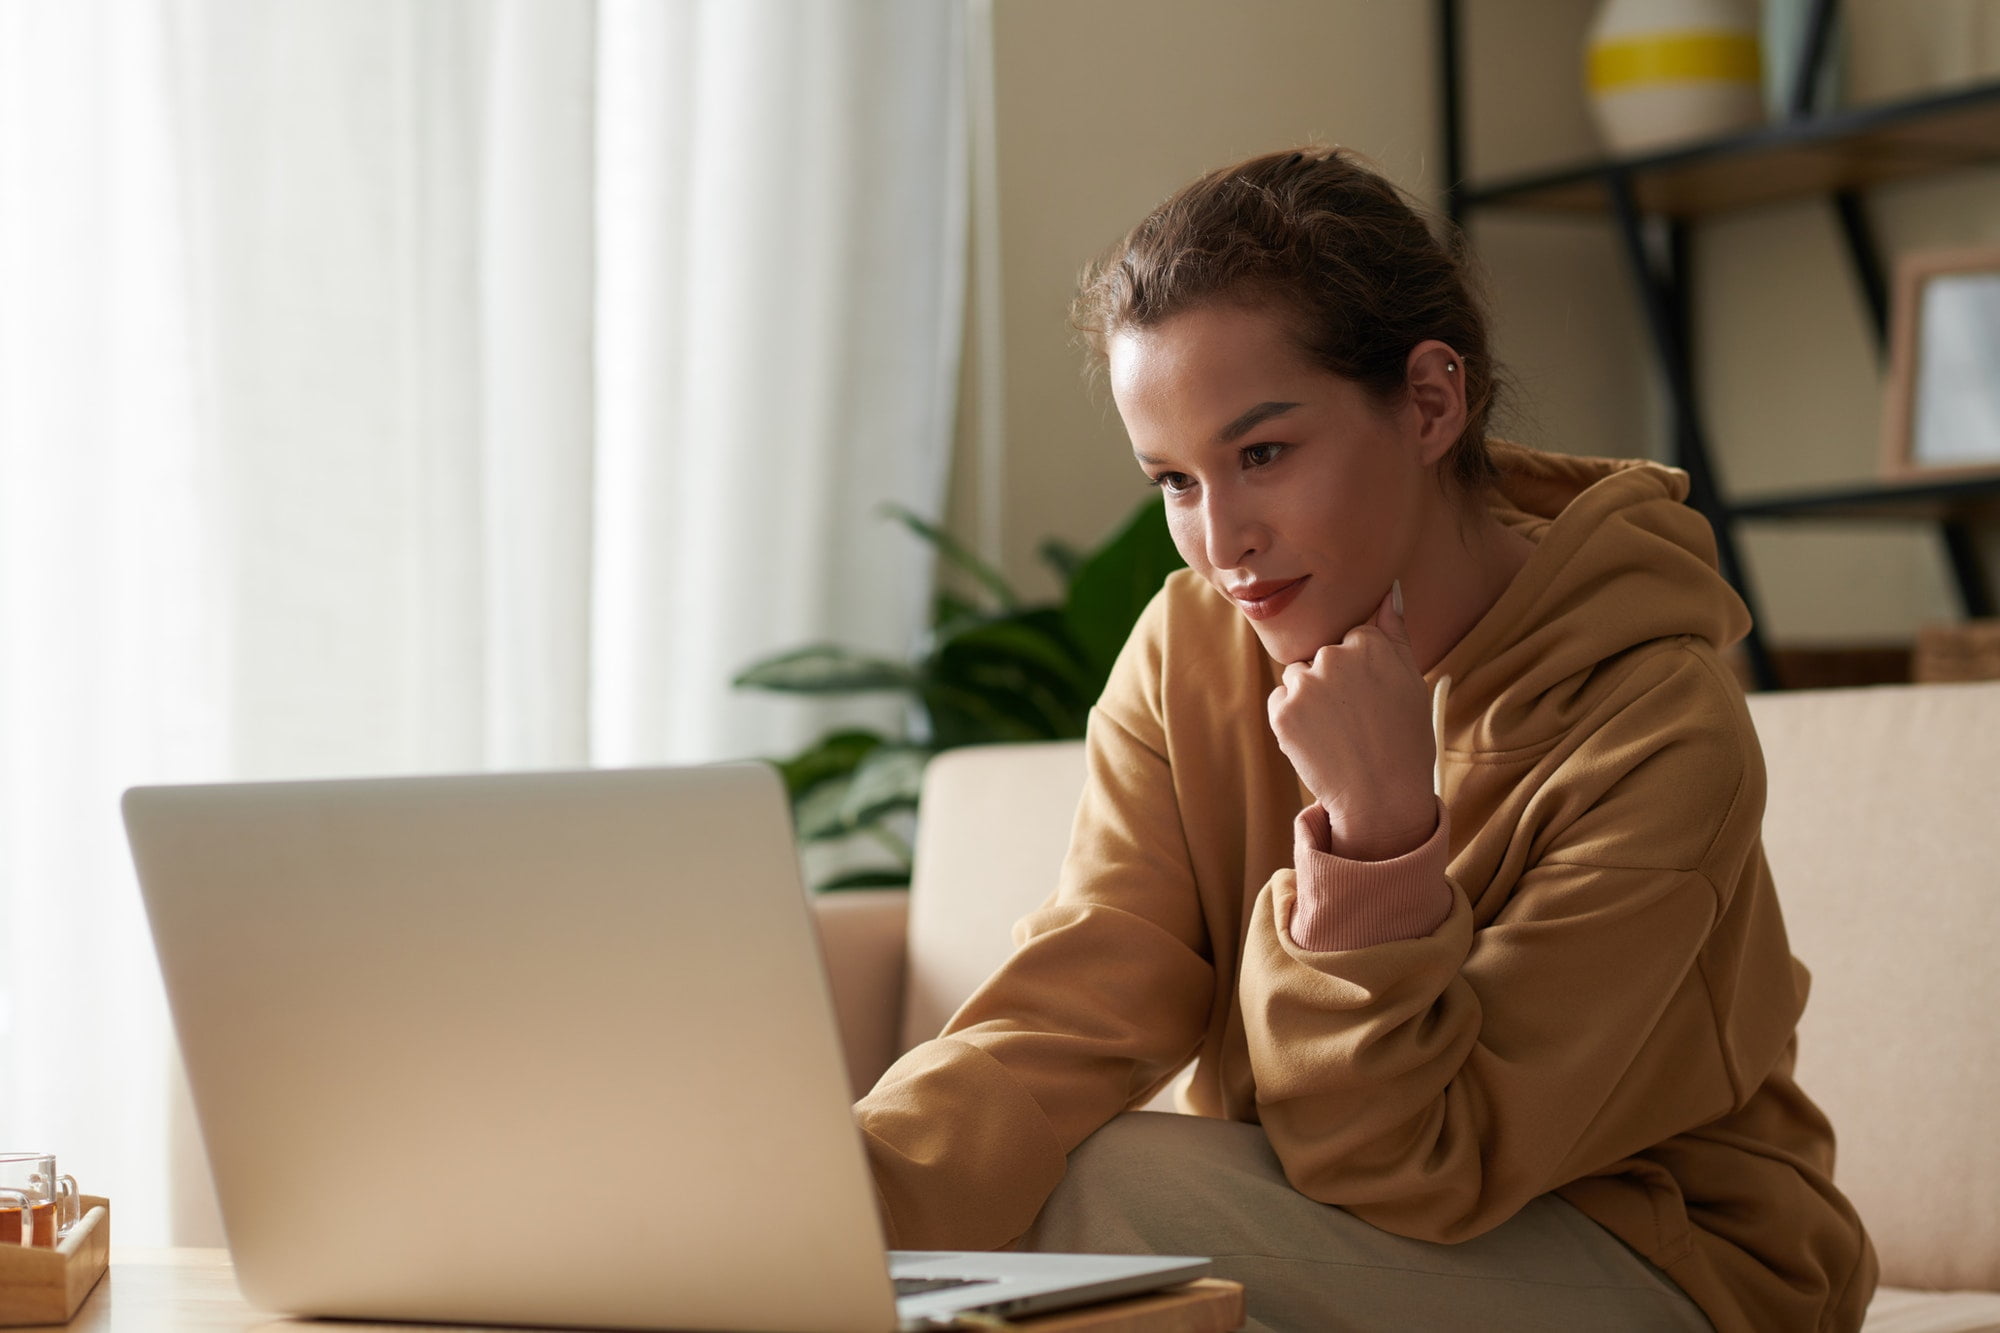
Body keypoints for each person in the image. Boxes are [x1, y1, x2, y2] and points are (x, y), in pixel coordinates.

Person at [853, 146, 1877, 1333]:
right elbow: (1079, 1005)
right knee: (1009, 1186)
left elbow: (1418, 1159)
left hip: (1675, 1265)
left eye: (1263, 454)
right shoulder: (1192, 648)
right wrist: (829, 1204)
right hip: (1347, 1227)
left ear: (1430, 402)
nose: (1222, 540)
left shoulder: (1652, 719)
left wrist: (1376, 842)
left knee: (1109, 1191)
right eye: (1175, 482)